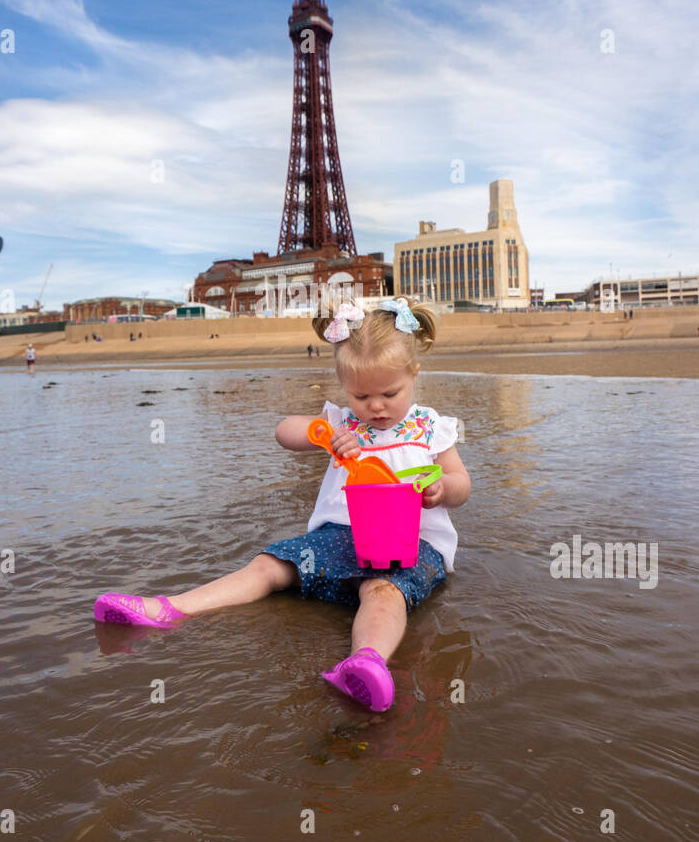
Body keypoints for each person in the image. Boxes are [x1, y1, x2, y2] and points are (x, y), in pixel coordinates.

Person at [94, 298, 471, 714]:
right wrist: (319, 434)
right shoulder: (343, 423)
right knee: (268, 565)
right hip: (339, 538)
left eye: (389, 393)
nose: (376, 406)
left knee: (382, 593)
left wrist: (440, 490)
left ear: (413, 376)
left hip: (408, 545)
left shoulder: (430, 427)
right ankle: (169, 608)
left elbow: (461, 483)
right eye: (361, 395)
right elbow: (283, 431)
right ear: (345, 388)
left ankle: (366, 662)